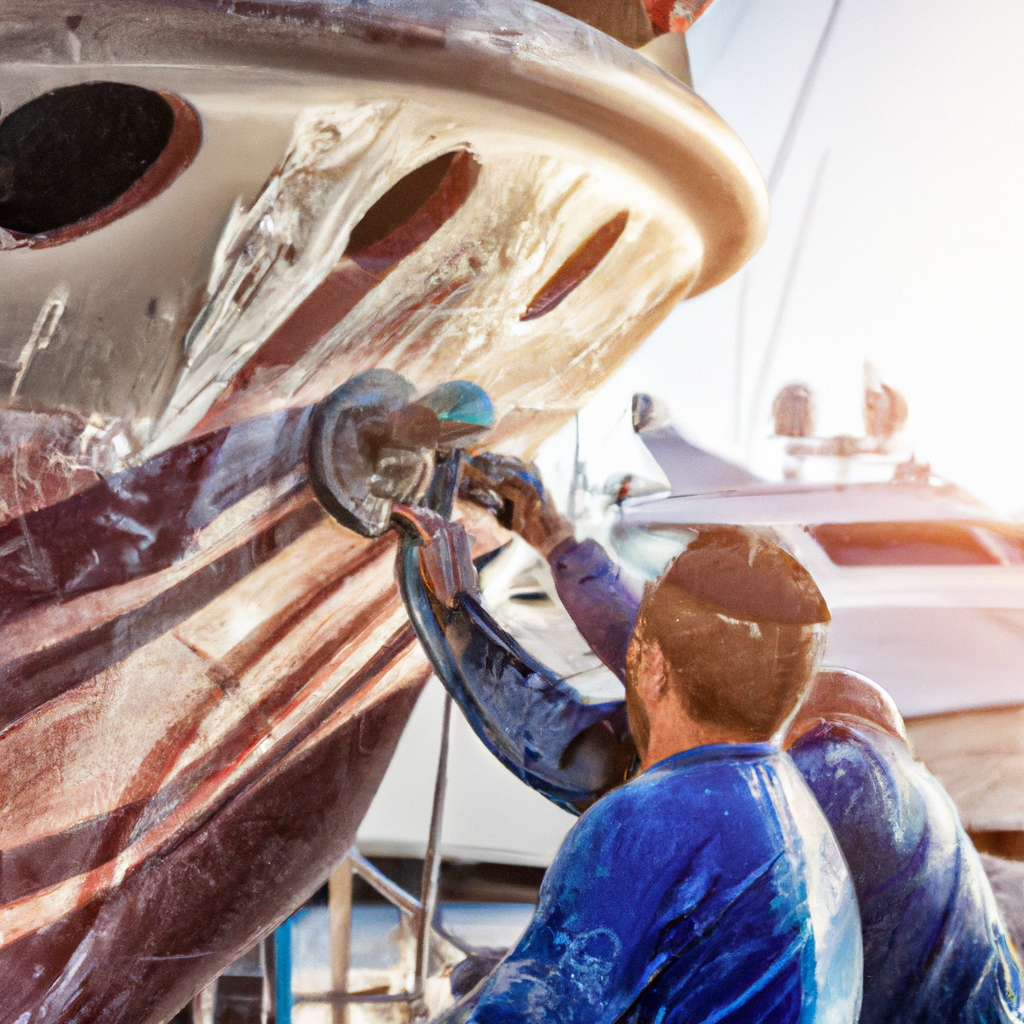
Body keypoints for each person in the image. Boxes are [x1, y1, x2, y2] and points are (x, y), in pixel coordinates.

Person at [455, 452, 1024, 1024]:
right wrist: (558, 543)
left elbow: (651, 717)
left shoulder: (824, 790)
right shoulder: (868, 773)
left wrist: (453, 616)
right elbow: (689, 659)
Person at [402, 503, 862, 1023]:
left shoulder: (651, 822)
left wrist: (452, 611)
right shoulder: (788, 803)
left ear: (654, 664)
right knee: (483, 976)